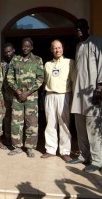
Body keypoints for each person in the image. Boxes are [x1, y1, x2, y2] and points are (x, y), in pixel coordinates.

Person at [67, 18, 102, 173]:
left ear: (87, 27)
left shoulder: (96, 41)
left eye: (81, 27)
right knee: (80, 125)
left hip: (92, 92)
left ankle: (97, 159)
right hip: (78, 93)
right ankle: (84, 155)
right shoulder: (78, 45)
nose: (79, 29)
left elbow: (101, 64)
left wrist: (99, 89)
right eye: (77, 28)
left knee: (92, 126)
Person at [7, 38, 44, 158]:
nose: (25, 48)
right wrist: (18, 91)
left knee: (31, 122)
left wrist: (27, 93)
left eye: (28, 46)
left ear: (31, 47)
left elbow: (40, 78)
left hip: (31, 97)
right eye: (24, 46)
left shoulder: (37, 60)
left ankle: (29, 147)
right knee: (16, 122)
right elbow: (9, 77)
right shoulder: (15, 59)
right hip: (17, 96)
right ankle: (17, 146)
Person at [41, 40, 74, 162]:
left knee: (64, 123)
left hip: (64, 95)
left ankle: (65, 151)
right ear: (51, 50)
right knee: (50, 123)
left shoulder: (70, 62)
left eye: (59, 48)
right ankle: (50, 149)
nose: (57, 50)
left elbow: (73, 81)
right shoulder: (47, 64)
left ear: (63, 49)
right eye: (54, 48)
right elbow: (44, 81)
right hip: (50, 95)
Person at [1, 43, 16, 145]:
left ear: (13, 50)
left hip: (16, 94)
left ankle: (16, 139)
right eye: (6, 52)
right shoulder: (2, 64)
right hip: (6, 94)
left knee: (16, 118)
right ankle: (7, 137)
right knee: (6, 117)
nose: (7, 54)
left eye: (9, 51)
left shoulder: (19, 62)